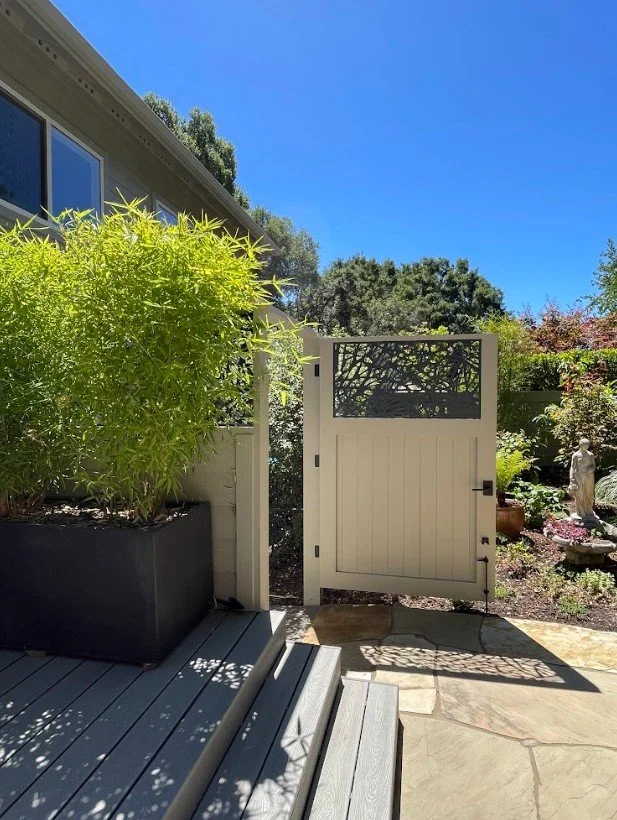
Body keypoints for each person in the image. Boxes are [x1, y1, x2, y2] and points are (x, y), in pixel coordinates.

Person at [568, 438, 597, 522]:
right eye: (585, 445)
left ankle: (589, 509)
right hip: (579, 477)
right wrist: (571, 479)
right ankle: (581, 512)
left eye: (588, 445)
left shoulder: (591, 455)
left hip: (589, 477)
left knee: (589, 494)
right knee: (580, 494)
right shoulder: (576, 455)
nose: (587, 446)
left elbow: (593, 466)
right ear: (581, 445)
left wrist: (591, 468)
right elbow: (572, 468)